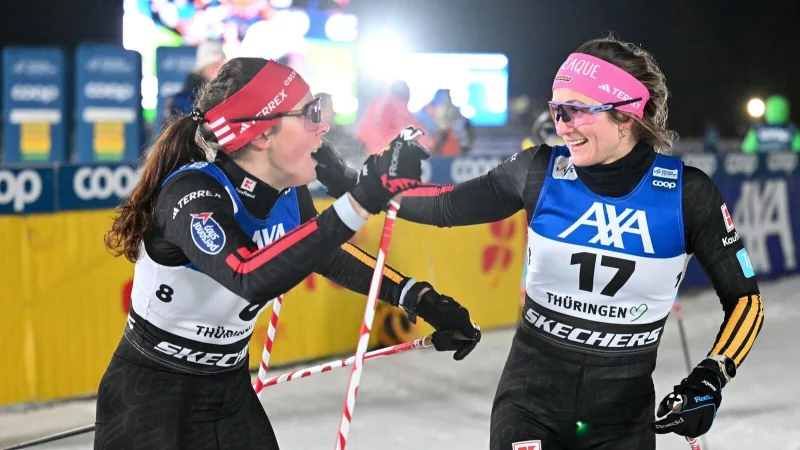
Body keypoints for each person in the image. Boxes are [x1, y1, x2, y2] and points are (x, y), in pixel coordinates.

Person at [313, 36, 764, 450]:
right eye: (557, 110)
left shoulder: (687, 194)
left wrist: (712, 376)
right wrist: (354, 184)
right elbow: (446, 206)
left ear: (626, 114)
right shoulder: (539, 169)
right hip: (529, 404)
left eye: (576, 111)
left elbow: (745, 300)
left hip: (623, 421)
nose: (562, 126)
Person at [97, 57, 480, 450]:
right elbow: (247, 275)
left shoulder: (289, 194)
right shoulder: (194, 192)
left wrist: (416, 296)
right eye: (310, 113)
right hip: (152, 396)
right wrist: (359, 200)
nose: (324, 125)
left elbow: (327, 254)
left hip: (228, 391)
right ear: (262, 134)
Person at [164, 39, 227, 120]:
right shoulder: (183, 99)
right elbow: (184, 118)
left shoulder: (230, 92)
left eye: (221, 65)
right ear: (202, 69)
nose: (217, 70)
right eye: (213, 65)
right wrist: (203, 121)